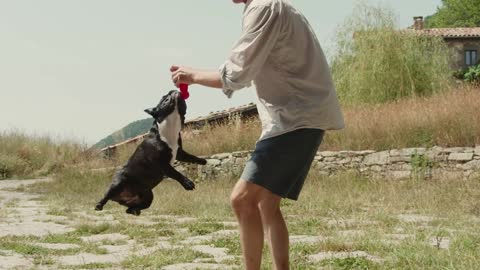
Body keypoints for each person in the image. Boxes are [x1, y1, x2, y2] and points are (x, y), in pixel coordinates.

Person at [170, 0, 344, 269]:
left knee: (242, 199)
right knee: (266, 204)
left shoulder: (264, 6)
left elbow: (237, 74)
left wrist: (192, 75)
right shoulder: (274, 6)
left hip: (293, 119)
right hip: (298, 118)